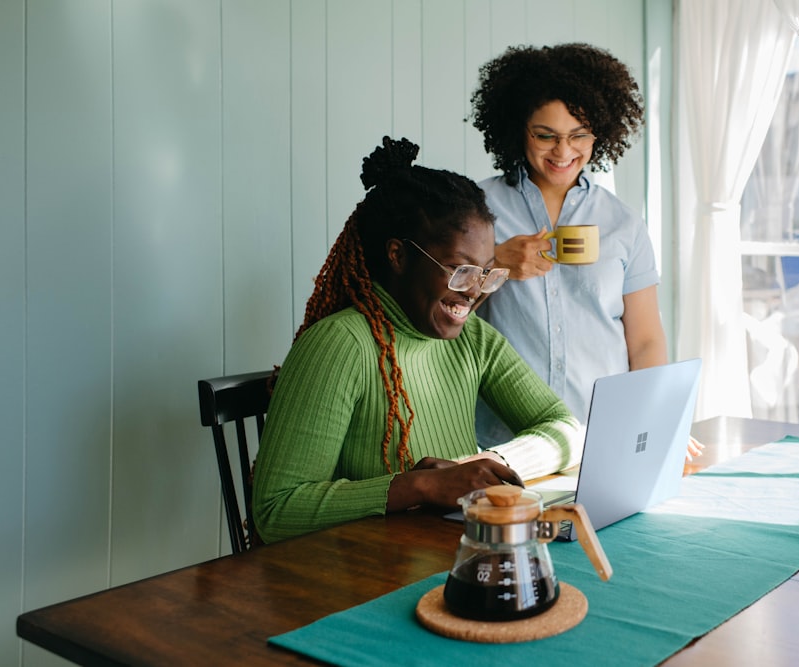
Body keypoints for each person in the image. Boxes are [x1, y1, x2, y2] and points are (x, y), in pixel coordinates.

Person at [252, 137, 583, 543]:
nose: (474, 291)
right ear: (398, 256)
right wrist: (420, 486)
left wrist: (486, 462)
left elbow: (566, 429)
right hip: (363, 577)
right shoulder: (341, 345)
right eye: (460, 271)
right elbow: (275, 510)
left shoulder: (473, 338)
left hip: (445, 555)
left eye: (487, 273)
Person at [470, 43, 702, 459]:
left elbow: (645, 340)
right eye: (546, 136)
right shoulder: (474, 210)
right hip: (504, 444)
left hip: (603, 437)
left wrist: (656, 421)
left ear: (601, 133)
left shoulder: (623, 223)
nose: (563, 152)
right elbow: (433, 316)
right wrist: (495, 264)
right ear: (518, 127)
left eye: (579, 135)